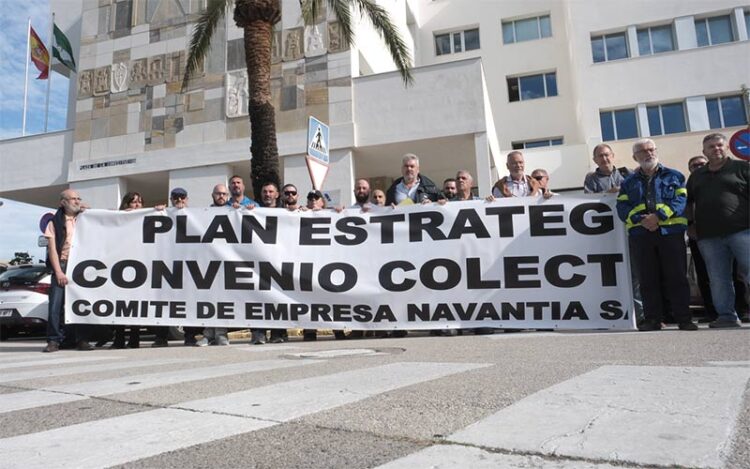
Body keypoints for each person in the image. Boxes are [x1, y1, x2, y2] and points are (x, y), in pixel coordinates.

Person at [616, 139, 697, 331]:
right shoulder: (628, 183)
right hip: (641, 235)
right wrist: (640, 219)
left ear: (656, 151)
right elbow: (621, 207)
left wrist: (658, 217)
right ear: (635, 157)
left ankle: (684, 318)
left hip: (671, 233)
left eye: (651, 150)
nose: (648, 154)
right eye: (643, 151)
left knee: (676, 276)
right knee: (647, 278)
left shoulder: (675, 176)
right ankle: (653, 319)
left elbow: (680, 201)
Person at [686, 133, 749, 328]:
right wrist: (690, 226)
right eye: (711, 147)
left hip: (743, 231)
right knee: (718, 278)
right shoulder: (696, 176)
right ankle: (727, 316)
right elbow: (689, 203)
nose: (716, 149)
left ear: (727, 147)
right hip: (709, 236)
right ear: (704, 152)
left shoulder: (742, 168)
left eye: (719, 145)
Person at [152, 187, 204, 346]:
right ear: (171, 199)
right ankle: (161, 337)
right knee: (163, 303)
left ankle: (189, 335)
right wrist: (157, 211)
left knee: (188, 302)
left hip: (188, 267)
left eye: (182, 197)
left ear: (187, 199)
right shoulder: (164, 214)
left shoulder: (196, 216)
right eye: (175, 198)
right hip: (167, 266)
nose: (179, 200)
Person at [43, 189, 92, 352]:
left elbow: (109, 218)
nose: (77, 201)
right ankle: (53, 340)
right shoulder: (54, 222)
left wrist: (89, 210)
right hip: (63, 264)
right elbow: (52, 250)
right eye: (73, 199)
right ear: (63, 202)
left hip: (81, 266)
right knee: (56, 305)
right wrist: (58, 272)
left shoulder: (85, 218)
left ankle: (81, 339)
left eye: (79, 198)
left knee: (81, 303)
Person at [250, 182, 286, 344]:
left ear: (277, 194)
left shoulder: (286, 213)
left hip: (280, 263)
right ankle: (259, 332)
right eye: (265, 191)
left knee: (278, 298)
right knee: (259, 298)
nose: (267, 194)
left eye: (271, 191)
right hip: (259, 263)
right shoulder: (253, 211)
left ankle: (278, 333)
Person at [197, 184, 232, 347]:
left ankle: (221, 334)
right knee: (209, 299)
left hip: (227, 263)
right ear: (212, 195)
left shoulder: (235, 212)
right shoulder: (203, 214)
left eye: (224, 194)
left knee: (223, 299)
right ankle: (208, 334)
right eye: (218, 193)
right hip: (208, 262)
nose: (221, 196)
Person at [110, 192, 144, 349]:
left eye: (139, 202)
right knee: (119, 304)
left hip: (140, 266)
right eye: (133, 202)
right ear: (126, 204)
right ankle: (119, 338)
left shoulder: (146, 218)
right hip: (120, 266)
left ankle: (135, 338)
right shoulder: (118, 220)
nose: (137, 205)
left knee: (136, 304)